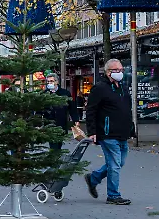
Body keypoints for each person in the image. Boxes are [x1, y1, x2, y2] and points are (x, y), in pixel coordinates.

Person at [83, 59, 134, 205]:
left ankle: (93, 178)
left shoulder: (122, 87)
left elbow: (126, 109)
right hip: (107, 133)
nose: (120, 72)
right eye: (116, 70)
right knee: (115, 164)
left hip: (122, 132)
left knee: (119, 163)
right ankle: (113, 195)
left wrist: (131, 128)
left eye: (121, 70)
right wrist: (92, 132)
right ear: (108, 72)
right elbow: (91, 110)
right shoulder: (99, 88)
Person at [43, 73, 78, 152]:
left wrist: (76, 120)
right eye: (48, 82)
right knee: (53, 145)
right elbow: (40, 109)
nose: (49, 83)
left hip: (61, 124)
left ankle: (56, 157)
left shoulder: (65, 93)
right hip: (49, 125)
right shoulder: (44, 94)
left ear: (57, 82)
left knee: (59, 145)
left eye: (51, 81)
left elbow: (72, 108)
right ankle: (54, 158)